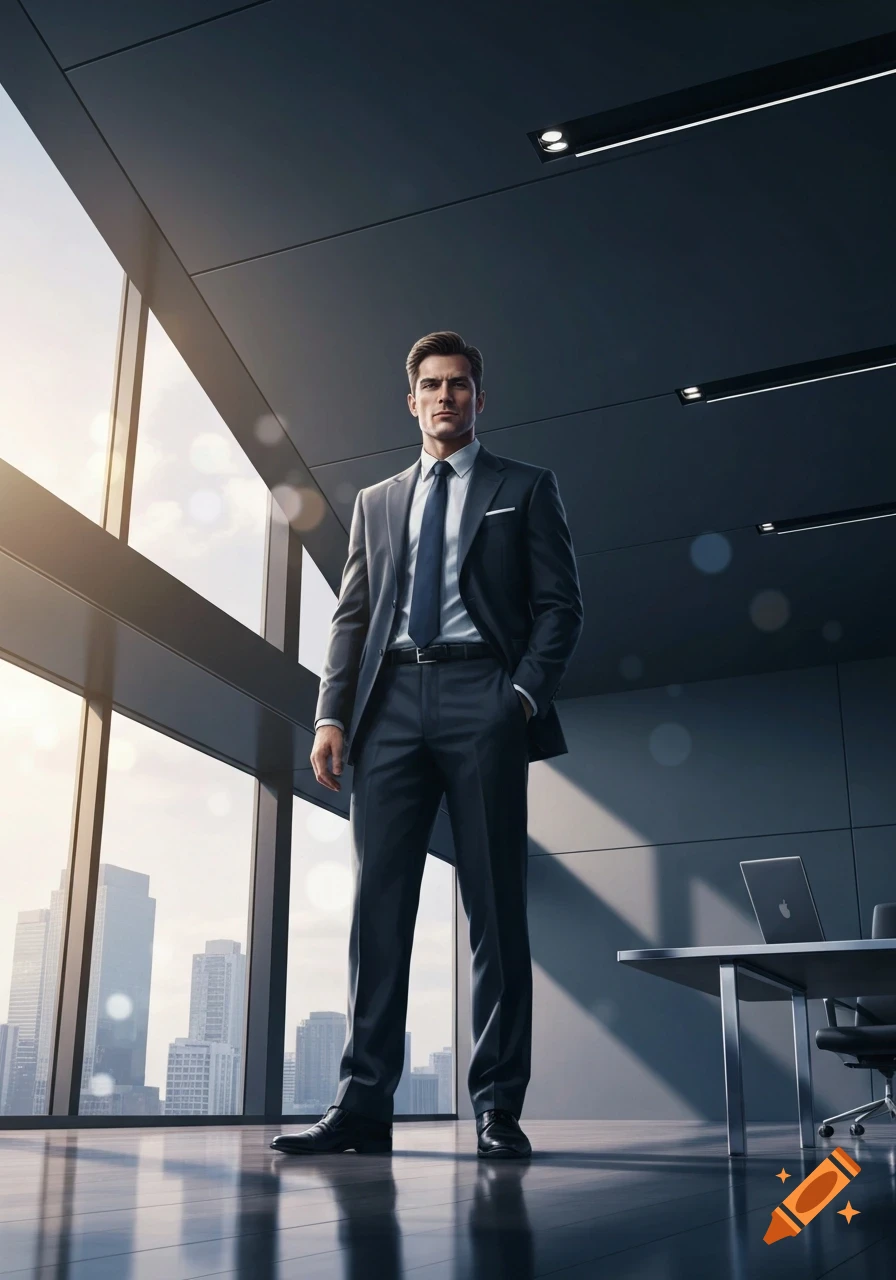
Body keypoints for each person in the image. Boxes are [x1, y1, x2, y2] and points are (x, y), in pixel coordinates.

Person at [271, 331, 583, 1158]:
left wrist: (519, 696)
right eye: (432, 386)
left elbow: (561, 607)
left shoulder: (526, 487)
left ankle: (496, 1108)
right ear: (411, 401)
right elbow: (353, 616)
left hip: (484, 693)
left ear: (481, 399)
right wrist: (332, 715)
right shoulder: (376, 502)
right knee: (379, 910)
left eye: (461, 385)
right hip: (390, 707)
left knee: (495, 910)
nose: (446, 397)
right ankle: (364, 1105)